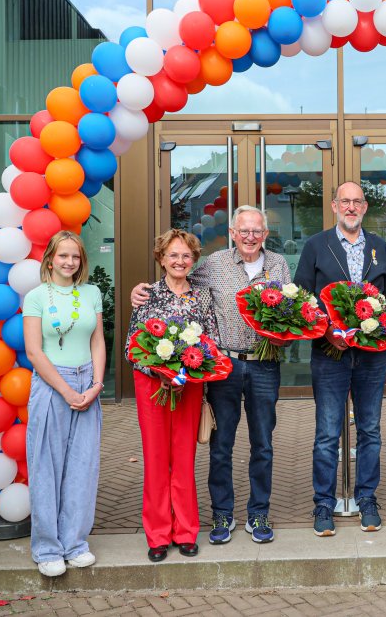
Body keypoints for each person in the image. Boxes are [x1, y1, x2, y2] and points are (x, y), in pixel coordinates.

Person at [132, 207, 292, 545]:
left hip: (265, 364)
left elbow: (289, 308)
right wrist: (140, 291)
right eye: (244, 230)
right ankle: (222, 514)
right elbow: (180, 277)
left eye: (257, 231)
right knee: (222, 445)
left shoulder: (278, 264)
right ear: (233, 232)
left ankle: (258, 512)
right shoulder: (215, 264)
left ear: (265, 234)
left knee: (263, 443)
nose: (250, 237)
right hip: (226, 365)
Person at [293, 181, 386, 536]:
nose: (351, 207)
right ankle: (323, 504)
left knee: (370, 429)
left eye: (357, 202)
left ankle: (367, 497)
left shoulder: (379, 247)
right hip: (329, 354)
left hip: (372, 357)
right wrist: (327, 333)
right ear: (334, 205)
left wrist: (381, 330)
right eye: (345, 201)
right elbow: (304, 301)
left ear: (365, 207)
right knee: (326, 433)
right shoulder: (315, 246)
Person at [126, 229, 218, 562]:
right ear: (161, 258)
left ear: (194, 260)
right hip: (152, 387)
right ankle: (158, 534)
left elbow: (211, 344)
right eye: (173, 255)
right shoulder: (146, 295)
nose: (180, 261)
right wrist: (162, 374)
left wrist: (186, 375)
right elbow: (131, 348)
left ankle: (186, 530)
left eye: (186, 255)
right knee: (155, 458)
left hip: (189, 386)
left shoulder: (204, 296)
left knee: (183, 458)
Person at [23, 230, 106, 577]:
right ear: (50, 259)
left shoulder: (92, 292)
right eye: (63, 256)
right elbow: (33, 351)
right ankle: (47, 548)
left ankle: (75, 544)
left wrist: (97, 385)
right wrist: (67, 391)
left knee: (82, 468)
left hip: (88, 381)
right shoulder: (36, 296)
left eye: (75, 256)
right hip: (51, 384)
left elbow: (99, 341)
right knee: (46, 466)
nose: (69, 262)